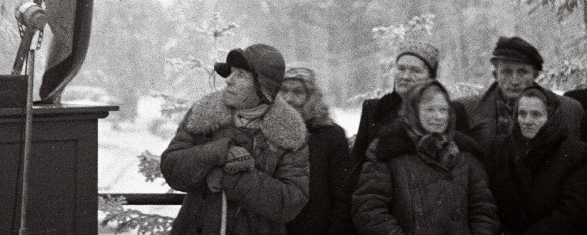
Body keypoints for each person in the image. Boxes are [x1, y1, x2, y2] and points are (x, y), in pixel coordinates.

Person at [160, 44, 309, 235]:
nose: (229, 80)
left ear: (262, 88)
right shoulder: (204, 113)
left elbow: (289, 202)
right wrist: (218, 152)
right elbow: (171, 168)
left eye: (241, 75)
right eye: (231, 73)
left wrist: (229, 178)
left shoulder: (289, 131)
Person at [352, 80, 499, 235]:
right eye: (430, 110)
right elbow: (369, 208)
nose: (438, 116)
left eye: (443, 110)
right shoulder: (388, 153)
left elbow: (483, 210)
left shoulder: (464, 155)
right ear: (414, 112)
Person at [350, 41, 470, 179]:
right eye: (401, 69)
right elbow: (355, 165)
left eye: (415, 71)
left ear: (431, 77)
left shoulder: (450, 111)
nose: (405, 76)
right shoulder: (376, 109)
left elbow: (465, 166)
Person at [487, 84, 587, 234]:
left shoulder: (573, 153)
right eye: (522, 113)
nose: (527, 121)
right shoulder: (501, 148)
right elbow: (490, 201)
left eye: (536, 114)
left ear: (551, 117)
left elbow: (571, 212)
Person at [461, 36, 583, 151]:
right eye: (507, 72)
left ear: (535, 75)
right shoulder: (466, 111)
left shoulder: (569, 110)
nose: (514, 81)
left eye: (522, 72)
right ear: (495, 75)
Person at [279, 66, 355, 235]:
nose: (288, 98)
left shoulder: (330, 135)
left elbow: (342, 195)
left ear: (311, 97)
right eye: (283, 91)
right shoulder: (269, 131)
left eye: (298, 92)